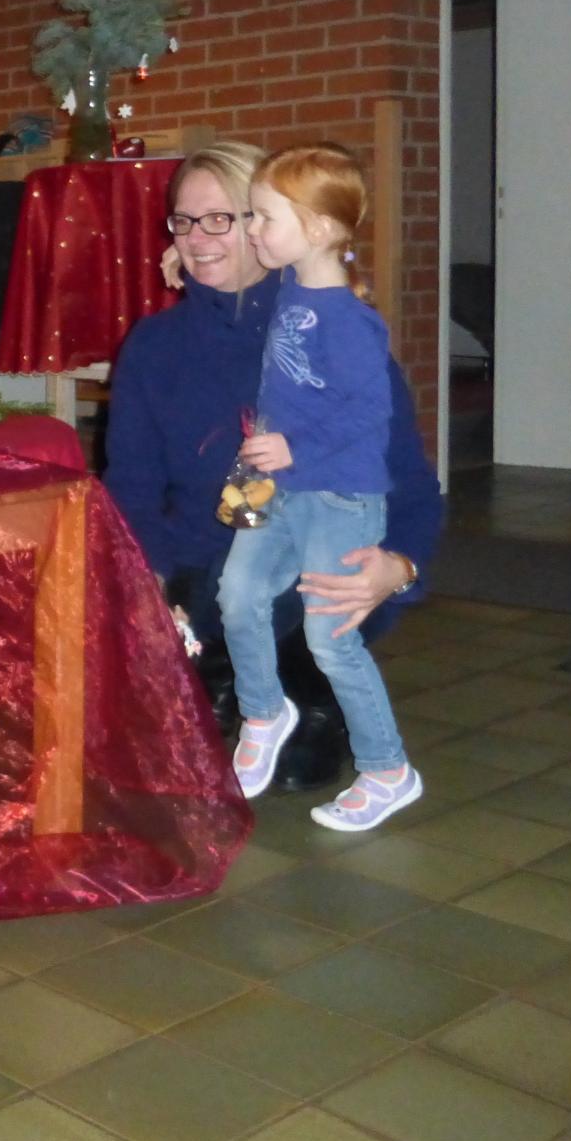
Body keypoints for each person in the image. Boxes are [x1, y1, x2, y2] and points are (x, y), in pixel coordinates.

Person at [103, 141, 441, 796]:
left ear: (272, 223)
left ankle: (316, 698)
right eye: (183, 221)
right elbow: (132, 488)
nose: (198, 239)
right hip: (205, 570)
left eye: (222, 219)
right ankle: (225, 676)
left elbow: (409, 480)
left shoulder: (331, 335)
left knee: (297, 597)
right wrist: (149, 582)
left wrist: (398, 567)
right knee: (151, 756)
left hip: (315, 570)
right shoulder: (154, 346)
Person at [217, 144, 422, 831]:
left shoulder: (351, 321)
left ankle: (388, 769)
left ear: (323, 230)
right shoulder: (288, 291)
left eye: (265, 218)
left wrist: (294, 447)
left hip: (337, 496)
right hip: (276, 489)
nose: (252, 231)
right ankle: (265, 713)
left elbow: (370, 412)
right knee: (237, 594)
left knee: (333, 640)